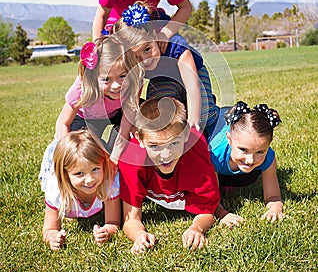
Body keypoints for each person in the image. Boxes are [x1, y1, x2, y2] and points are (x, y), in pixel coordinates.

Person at [118, 97, 220, 254]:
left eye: (174, 143)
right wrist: (138, 234)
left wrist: (197, 228)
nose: (166, 155)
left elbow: (206, 210)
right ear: (139, 139)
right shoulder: (132, 158)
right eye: (155, 146)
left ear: (186, 135)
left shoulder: (196, 150)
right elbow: (131, 218)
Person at [112, 2, 219, 135]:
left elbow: (192, 84)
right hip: (162, 80)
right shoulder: (133, 63)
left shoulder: (175, 45)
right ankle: (181, 107)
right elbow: (132, 96)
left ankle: (210, 105)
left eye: (147, 49)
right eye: (136, 57)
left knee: (204, 116)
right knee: (161, 116)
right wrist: (132, 125)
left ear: (155, 36)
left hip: (194, 75)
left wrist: (193, 122)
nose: (145, 60)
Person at [53, 34, 142, 162]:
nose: (116, 85)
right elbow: (63, 123)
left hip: (117, 113)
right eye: (107, 79)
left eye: (122, 76)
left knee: (136, 128)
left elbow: (127, 120)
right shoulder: (81, 90)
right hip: (86, 118)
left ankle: (113, 143)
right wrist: (66, 150)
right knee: (84, 147)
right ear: (94, 77)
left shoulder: (133, 83)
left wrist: (114, 158)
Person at [208, 101, 285, 228]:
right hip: (214, 159)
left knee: (248, 175)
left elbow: (273, 196)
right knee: (212, 186)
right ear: (229, 139)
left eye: (260, 152)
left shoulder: (268, 157)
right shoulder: (214, 155)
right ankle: (223, 182)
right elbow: (209, 200)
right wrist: (222, 213)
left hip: (238, 169)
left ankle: (229, 181)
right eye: (243, 150)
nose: (250, 160)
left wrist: (275, 208)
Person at [41, 129, 121, 251]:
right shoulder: (56, 189)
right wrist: (53, 237)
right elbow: (49, 229)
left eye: (95, 169)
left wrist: (106, 231)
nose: (89, 180)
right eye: (79, 173)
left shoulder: (108, 182)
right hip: (52, 165)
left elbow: (113, 222)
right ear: (66, 174)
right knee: (55, 151)